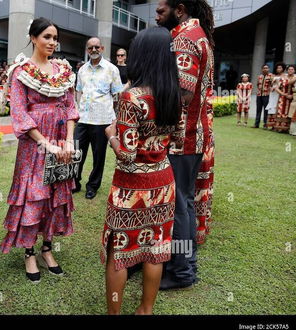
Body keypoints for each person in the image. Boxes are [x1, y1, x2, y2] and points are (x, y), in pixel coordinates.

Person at [102, 27, 179, 315]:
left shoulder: (132, 98)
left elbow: (126, 157)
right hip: (164, 182)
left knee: (118, 252)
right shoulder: (174, 95)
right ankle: (145, 310)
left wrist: (110, 134)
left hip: (132, 186)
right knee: (155, 249)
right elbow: (179, 140)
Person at [0, 17, 79, 283]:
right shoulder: (21, 71)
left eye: (55, 38)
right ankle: (29, 252)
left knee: (55, 195)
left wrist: (67, 141)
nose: (52, 42)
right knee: (33, 196)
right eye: (47, 36)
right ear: (33, 38)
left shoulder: (63, 70)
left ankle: (47, 248)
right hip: (34, 146)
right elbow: (19, 113)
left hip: (60, 142)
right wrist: (45, 144)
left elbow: (69, 107)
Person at [156, 0, 215, 290]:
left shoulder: (184, 39)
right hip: (195, 136)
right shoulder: (200, 35)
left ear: (179, 9)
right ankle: (186, 265)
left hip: (182, 139)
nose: (157, 16)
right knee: (186, 203)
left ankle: (180, 272)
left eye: (160, 11)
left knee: (178, 206)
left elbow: (183, 92)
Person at [74, 37, 123, 199]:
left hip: (102, 120)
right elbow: (78, 91)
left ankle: (92, 186)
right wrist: (77, 110)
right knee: (76, 153)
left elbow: (118, 95)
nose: (93, 50)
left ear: (102, 48)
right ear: (87, 50)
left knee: (98, 156)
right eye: (90, 48)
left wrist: (114, 119)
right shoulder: (82, 70)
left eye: (96, 47)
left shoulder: (112, 69)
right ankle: (75, 182)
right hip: (83, 119)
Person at [274, 65, 296, 133]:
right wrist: (283, 94)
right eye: (289, 69)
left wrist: (293, 96)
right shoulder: (283, 78)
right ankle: (279, 127)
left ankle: (287, 128)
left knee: (289, 113)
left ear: (294, 70)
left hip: (293, 99)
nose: (290, 70)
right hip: (282, 98)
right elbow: (276, 88)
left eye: (292, 69)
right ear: (287, 70)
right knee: (281, 112)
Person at [265, 63, 286, 129]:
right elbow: (270, 84)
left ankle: (276, 125)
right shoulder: (273, 75)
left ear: (283, 68)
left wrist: (277, 86)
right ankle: (270, 124)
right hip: (272, 92)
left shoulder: (285, 76)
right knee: (271, 106)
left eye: (280, 68)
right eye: (277, 68)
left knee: (277, 107)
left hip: (279, 93)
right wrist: (271, 87)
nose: (278, 69)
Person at [255, 64, 274, 128]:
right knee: (258, 110)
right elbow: (258, 84)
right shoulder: (259, 76)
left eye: (266, 68)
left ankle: (265, 124)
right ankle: (256, 124)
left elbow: (272, 84)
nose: (265, 69)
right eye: (264, 68)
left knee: (266, 110)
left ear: (268, 69)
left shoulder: (271, 76)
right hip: (259, 95)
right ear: (262, 69)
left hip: (266, 95)